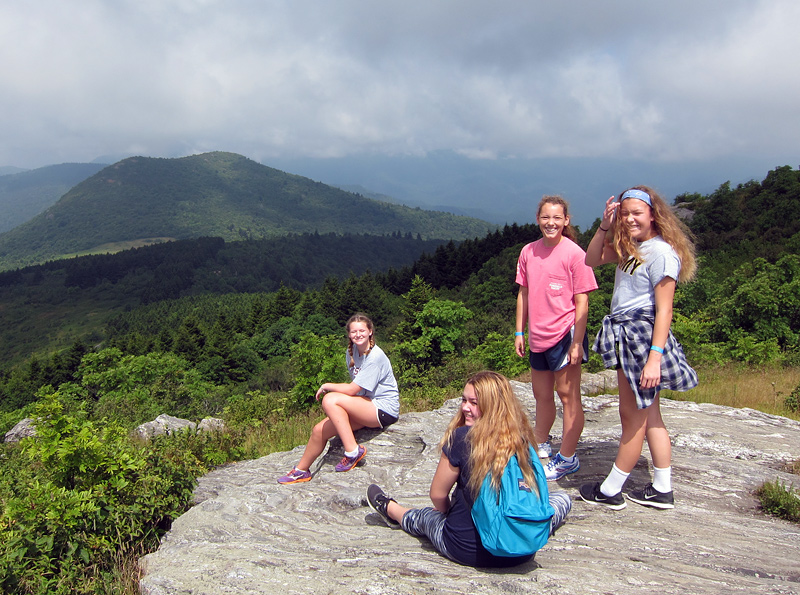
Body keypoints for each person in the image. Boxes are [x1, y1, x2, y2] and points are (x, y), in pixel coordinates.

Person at [366, 371, 571, 568]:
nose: (465, 408)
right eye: (464, 400)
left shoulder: (462, 438)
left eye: (474, 403)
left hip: (466, 549)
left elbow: (437, 495)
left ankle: (391, 509)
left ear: (493, 406)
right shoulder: (522, 439)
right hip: (522, 551)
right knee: (562, 499)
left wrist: (446, 513)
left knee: (427, 517)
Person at [579, 186, 697, 510]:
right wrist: (605, 225)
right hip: (631, 336)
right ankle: (662, 488)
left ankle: (612, 489)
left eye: (637, 213)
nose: (630, 218)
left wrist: (654, 359)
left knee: (633, 418)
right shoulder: (634, 248)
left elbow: (665, 310)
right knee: (651, 415)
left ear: (653, 215)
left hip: (640, 339)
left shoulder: (661, 253)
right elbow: (589, 259)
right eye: (625, 213)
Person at [515, 196, 598, 481]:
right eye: (545, 218)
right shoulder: (528, 251)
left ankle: (568, 457)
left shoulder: (575, 254)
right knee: (541, 395)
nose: (551, 223)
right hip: (538, 335)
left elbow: (583, 302)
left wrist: (577, 343)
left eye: (556, 218)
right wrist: (519, 331)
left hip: (565, 334)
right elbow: (523, 293)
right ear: (538, 219)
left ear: (566, 221)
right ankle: (541, 444)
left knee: (568, 397)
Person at [278, 313, 400, 484]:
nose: (358, 334)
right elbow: (356, 388)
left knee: (330, 399)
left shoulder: (375, 356)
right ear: (349, 334)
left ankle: (352, 451)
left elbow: (352, 389)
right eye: (354, 331)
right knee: (319, 430)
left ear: (370, 331)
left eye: (362, 330)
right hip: (364, 405)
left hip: (382, 409)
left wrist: (327, 385)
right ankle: (301, 470)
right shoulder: (351, 353)